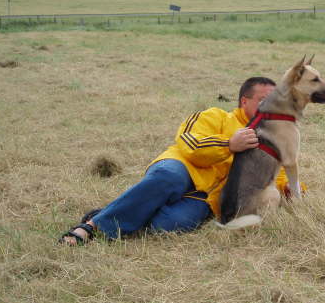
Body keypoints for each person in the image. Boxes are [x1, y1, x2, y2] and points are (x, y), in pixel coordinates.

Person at [60, 77, 300, 245]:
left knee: (168, 225)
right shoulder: (214, 115)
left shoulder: (270, 137)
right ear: (244, 101)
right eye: (263, 100)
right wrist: (228, 145)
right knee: (167, 178)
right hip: (182, 168)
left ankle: (114, 211)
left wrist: (286, 188)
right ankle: (92, 227)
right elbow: (189, 144)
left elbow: (274, 176)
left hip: (209, 196)